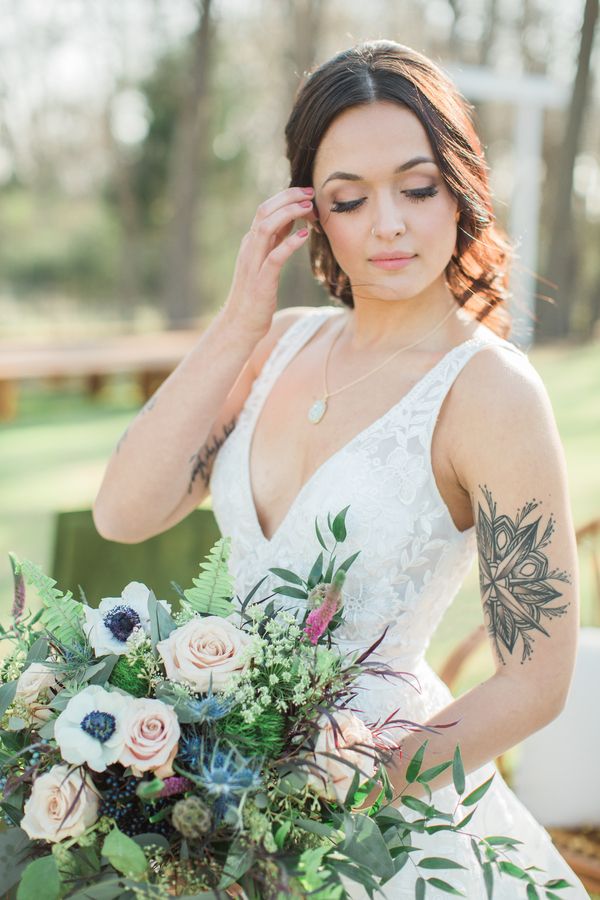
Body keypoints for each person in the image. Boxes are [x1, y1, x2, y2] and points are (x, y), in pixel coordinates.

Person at [93, 40, 589, 898]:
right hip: (216, 800)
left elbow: (536, 681)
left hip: (381, 821)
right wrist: (241, 318)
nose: (388, 223)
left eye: (417, 187)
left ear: (460, 187)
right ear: (310, 213)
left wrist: (336, 803)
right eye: (350, 199)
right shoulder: (277, 345)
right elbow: (124, 513)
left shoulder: (489, 390)